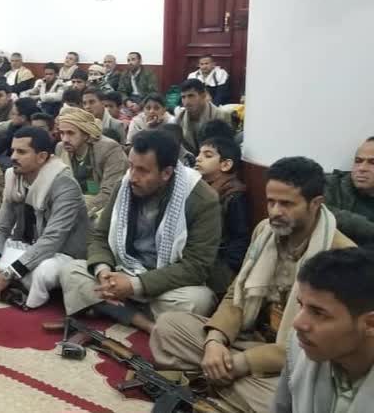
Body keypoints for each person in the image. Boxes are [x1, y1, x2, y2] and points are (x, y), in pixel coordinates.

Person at [151, 156, 355, 413]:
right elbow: (236, 293)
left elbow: (321, 344)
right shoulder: (265, 231)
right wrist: (214, 341)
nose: (275, 212)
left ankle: (215, 378)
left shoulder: (341, 257)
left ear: (315, 204)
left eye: (286, 204)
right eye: (271, 202)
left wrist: (243, 364)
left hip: (297, 360)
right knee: (168, 327)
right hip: (249, 339)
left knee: (283, 401)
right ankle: (221, 376)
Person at [61, 130, 221, 333]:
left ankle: (110, 307)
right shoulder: (125, 185)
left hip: (166, 284)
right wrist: (103, 271)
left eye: (143, 171)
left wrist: (135, 285)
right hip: (122, 269)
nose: (133, 177)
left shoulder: (201, 199)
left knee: (198, 300)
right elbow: (100, 235)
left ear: (166, 173)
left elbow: (196, 266)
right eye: (131, 166)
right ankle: (143, 322)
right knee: (70, 270)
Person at [0, 127, 89, 309]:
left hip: (60, 254)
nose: (13, 157)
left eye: (21, 152)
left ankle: (9, 283)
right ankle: (9, 285)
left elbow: (52, 239)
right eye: (13, 150)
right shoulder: (14, 176)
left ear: (42, 157)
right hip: (27, 247)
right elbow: (0, 227)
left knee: (43, 272)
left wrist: (9, 273)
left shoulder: (64, 184)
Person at [273, 247, 374, 413]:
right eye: (301, 305)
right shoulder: (300, 349)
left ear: (370, 324)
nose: (297, 323)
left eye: (318, 313)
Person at [195, 136, 251, 296]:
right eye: (199, 153)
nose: (198, 158)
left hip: (219, 263)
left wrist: (227, 270)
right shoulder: (200, 188)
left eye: (207, 155)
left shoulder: (233, 195)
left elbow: (239, 237)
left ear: (226, 165)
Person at [54, 107, 128, 219]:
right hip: (72, 206)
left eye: (70, 133)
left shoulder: (109, 149)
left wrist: (74, 211)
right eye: (62, 133)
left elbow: (110, 193)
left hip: (104, 209)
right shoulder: (61, 148)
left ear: (86, 134)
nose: (65, 139)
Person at [325, 137, 374, 246]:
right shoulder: (332, 185)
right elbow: (321, 212)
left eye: (372, 162)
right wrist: (368, 228)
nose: (362, 168)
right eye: (358, 161)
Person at [174, 79, 234, 154]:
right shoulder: (179, 118)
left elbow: (226, 149)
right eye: (183, 97)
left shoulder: (221, 116)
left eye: (191, 96)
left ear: (203, 96)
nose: (186, 102)